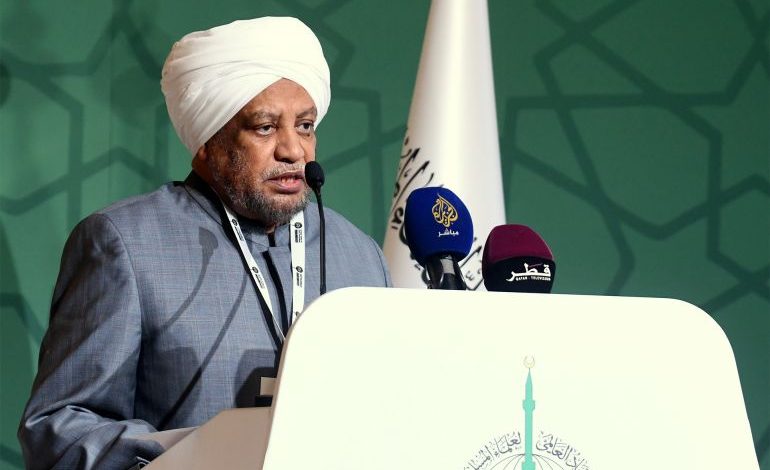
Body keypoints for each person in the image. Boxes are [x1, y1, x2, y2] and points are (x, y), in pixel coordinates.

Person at [18, 17, 391, 470]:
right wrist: (198, 453)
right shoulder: (124, 244)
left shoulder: (360, 256)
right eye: (265, 127)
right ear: (206, 143)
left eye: (306, 126)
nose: (294, 150)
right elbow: (58, 429)